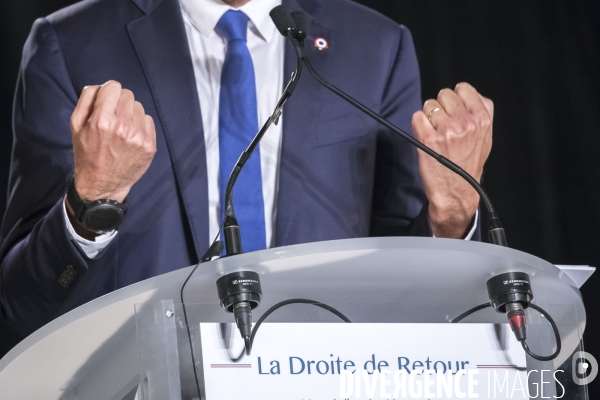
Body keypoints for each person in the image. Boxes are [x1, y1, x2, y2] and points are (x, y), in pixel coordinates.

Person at [0, 0, 492, 338]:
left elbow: (400, 278)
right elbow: (21, 304)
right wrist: (91, 204)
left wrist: (451, 219)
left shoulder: (376, 47)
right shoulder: (71, 43)